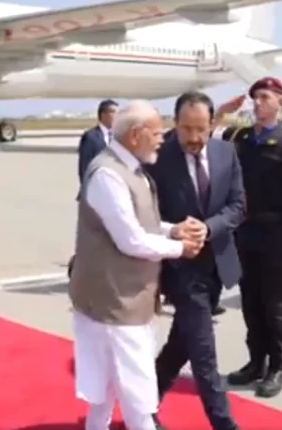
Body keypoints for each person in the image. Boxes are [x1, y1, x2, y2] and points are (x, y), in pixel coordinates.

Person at [69, 100, 204, 430]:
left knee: (108, 392)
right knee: (137, 396)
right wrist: (180, 248)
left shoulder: (132, 169)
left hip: (125, 299)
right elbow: (130, 240)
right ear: (134, 135)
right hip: (114, 304)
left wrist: (172, 230)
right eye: (156, 134)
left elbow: (140, 222)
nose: (162, 140)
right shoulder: (108, 175)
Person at [146, 91, 244, 430]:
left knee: (181, 345)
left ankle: (143, 404)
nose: (194, 137)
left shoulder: (225, 152)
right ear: (175, 124)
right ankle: (224, 424)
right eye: (186, 128)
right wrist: (174, 232)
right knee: (204, 355)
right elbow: (144, 215)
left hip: (216, 265)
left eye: (201, 129)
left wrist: (209, 227)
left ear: (212, 124)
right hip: (180, 269)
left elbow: (237, 205)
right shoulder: (157, 158)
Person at [216, 77, 282, 398]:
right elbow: (202, 138)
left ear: (280, 103)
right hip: (245, 234)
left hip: (277, 235)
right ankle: (256, 362)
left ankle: (278, 366)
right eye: (255, 97)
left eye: (265, 97)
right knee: (250, 301)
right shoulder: (240, 138)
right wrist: (221, 112)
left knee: (274, 304)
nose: (258, 103)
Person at [68, 99, 118, 278]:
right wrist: (90, 192)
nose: (117, 117)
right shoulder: (91, 137)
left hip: (113, 194)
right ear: (104, 114)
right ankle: (81, 269)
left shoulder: (118, 137)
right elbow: (84, 167)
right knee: (90, 235)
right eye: (114, 113)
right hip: (94, 195)